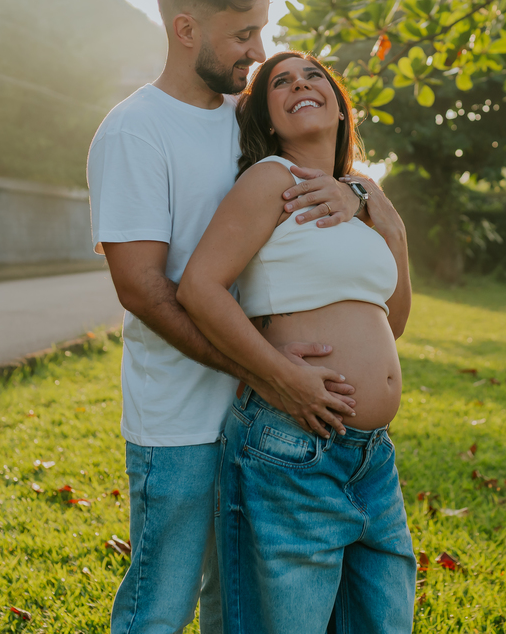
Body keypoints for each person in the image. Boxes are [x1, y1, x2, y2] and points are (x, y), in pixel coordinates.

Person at [87, 0, 368, 634]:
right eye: (243, 34)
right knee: (158, 608)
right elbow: (144, 289)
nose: (258, 51)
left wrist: (357, 196)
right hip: (178, 424)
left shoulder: (252, 117)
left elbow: (335, 169)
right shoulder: (134, 131)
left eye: (262, 31)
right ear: (187, 31)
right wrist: (267, 373)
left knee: (233, 609)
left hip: (263, 430)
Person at [179, 50, 415, 634]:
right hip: (290, 443)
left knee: (384, 621)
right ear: (268, 119)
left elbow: (395, 320)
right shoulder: (271, 179)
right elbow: (200, 288)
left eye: (314, 76)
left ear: (339, 107)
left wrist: (389, 224)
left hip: (371, 454)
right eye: (280, 82)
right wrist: (278, 375)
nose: (300, 84)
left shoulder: (361, 194)